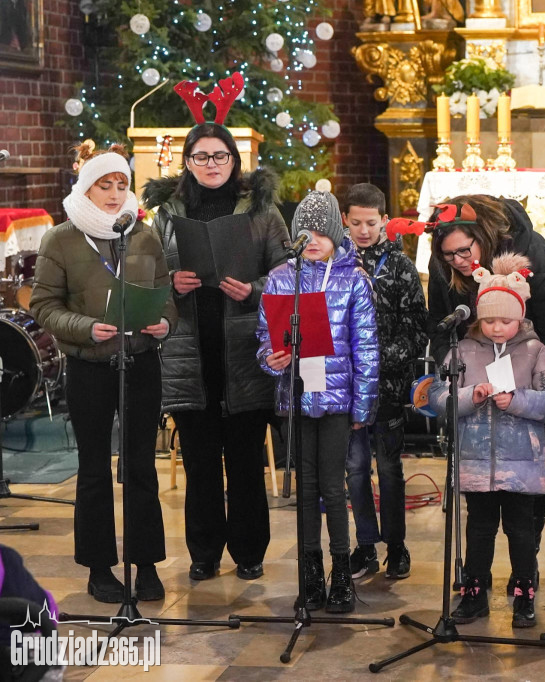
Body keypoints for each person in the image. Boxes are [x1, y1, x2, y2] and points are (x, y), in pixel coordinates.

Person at [143, 123, 289, 582]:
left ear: (234, 160)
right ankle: (203, 552)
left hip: (245, 347)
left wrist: (253, 289)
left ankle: (249, 551)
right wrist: (171, 281)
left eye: (220, 156)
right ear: (188, 162)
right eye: (202, 156)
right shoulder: (167, 212)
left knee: (245, 460)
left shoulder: (262, 210)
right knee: (200, 461)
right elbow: (146, 271)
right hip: (190, 346)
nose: (211, 164)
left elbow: (288, 275)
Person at [31, 143, 176, 602]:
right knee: (94, 469)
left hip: (140, 364)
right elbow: (42, 304)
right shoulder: (62, 239)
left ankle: (147, 563)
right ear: (86, 189)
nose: (115, 194)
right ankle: (98, 567)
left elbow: (166, 294)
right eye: (104, 185)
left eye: (121, 185)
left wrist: (164, 322)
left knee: (140, 468)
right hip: (90, 368)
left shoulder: (144, 235)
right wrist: (87, 328)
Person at [426, 195, 545, 594]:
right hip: (477, 379)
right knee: (480, 514)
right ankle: (477, 580)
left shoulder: (526, 251)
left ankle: (526, 561)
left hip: (536, 358)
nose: (459, 260)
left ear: (483, 236)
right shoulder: (444, 259)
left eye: (466, 250)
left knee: (532, 469)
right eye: (449, 256)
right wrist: (457, 376)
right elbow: (439, 325)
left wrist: (541, 386)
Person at [428, 254, 545, 629]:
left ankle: (524, 593)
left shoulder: (536, 350)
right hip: (475, 460)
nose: (496, 327)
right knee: (479, 528)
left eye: (505, 320)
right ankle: (474, 594)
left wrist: (517, 400)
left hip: (521, 462)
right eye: (488, 320)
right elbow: (438, 396)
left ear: (520, 317)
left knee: (521, 530)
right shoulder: (463, 350)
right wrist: (469, 396)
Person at [257, 191, 379, 612]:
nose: (312, 239)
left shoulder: (353, 279)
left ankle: (341, 573)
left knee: (332, 485)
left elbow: (366, 349)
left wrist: (362, 407)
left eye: (321, 233)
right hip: (297, 398)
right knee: (304, 489)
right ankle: (310, 574)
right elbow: (264, 340)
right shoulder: (279, 279)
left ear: (335, 235)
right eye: (303, 232)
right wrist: (273, 361)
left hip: (339, 401)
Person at [342, 183, 428, 581]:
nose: (363, 230)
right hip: (346, 385)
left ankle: (397, 546)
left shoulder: (399, 266)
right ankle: (364, 546)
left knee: (389, 468)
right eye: (356, 222)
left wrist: (381, 362)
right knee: (355, 468)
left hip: (388, 385)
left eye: (371, 223)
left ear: (384, 220)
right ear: (344, 219)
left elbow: (417, 328)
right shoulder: (336, 261)